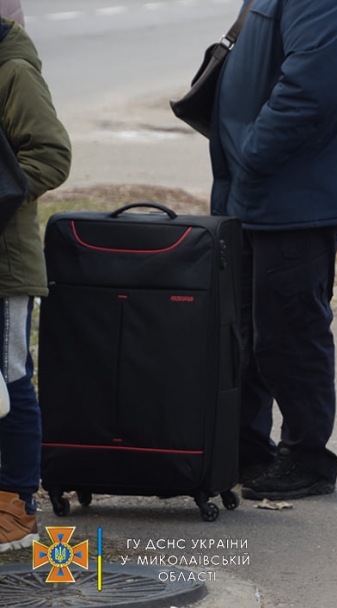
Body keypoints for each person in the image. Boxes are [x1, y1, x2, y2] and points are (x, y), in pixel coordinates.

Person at [208, 0, 337, 500]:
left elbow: (310, 86)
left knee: (287, 330)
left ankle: (307, 458)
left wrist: (253, 154)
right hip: (262, 187)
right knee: (243, 328)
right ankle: (246, 448)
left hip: (297, 190)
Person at [0, 16, 72, 551]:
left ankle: (15, 506)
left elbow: (50, 154)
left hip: (5, 265)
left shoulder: (13, 70)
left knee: (9, 378)